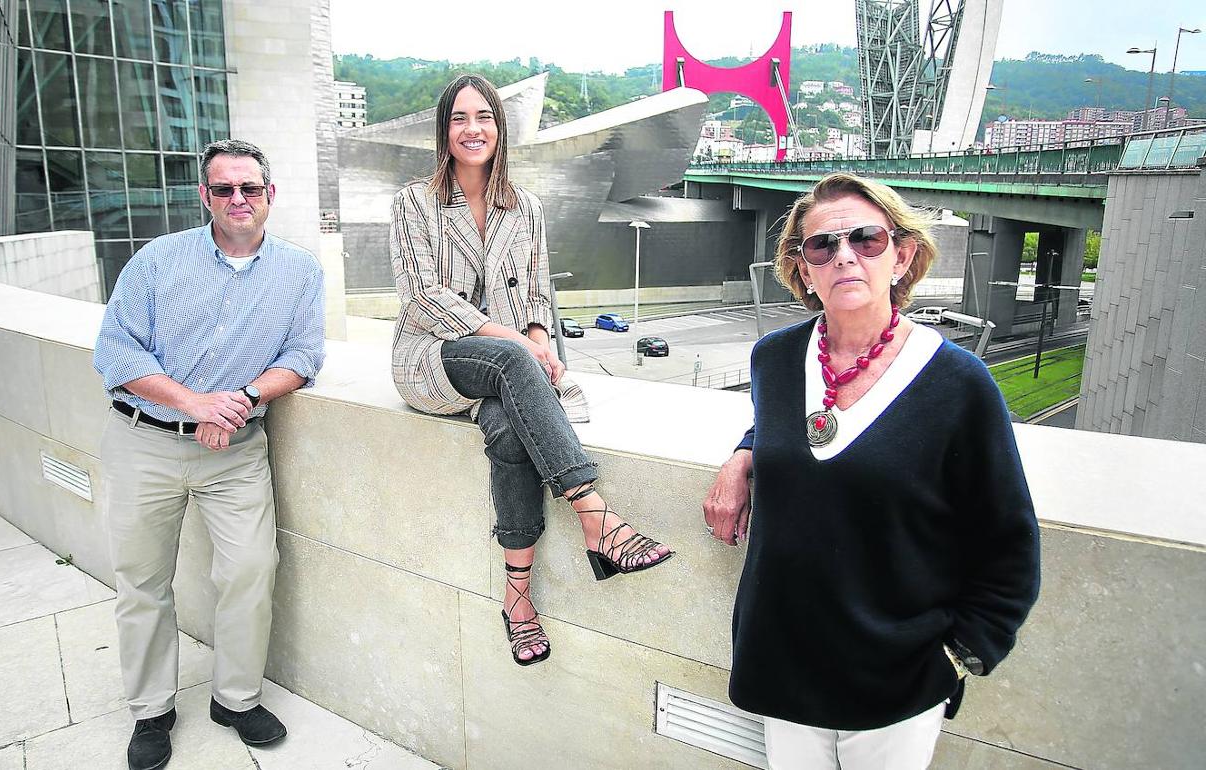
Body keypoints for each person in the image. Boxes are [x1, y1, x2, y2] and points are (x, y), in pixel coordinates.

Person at [703, 173, 1040, 768]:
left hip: (897, 682)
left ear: (903, 255)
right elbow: (789, 431)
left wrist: (961, 654)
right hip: (785, 660)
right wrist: (743, 452)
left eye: (867, 240)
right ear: (804, 269)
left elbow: (1008, 539)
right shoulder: (775, 359)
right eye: (822, 246)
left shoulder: (958, 383)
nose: (845, 257)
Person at [389, 74, 672, 667]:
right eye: (460, 118)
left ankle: (518, 600)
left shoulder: (528, 208)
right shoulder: (416, 201)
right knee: (512, 361)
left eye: (485, 117)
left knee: (506, 430)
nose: (473, 129)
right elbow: (419, 295)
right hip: (434, 358)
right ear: (444, 131)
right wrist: (519, 341)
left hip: (508, 371)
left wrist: (539, 335)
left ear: (500, 128)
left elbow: (540, 293)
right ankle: (595, 517)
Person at [94, 139, 326, 770]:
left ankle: (236, 697)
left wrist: (241, 400)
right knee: (142, 582)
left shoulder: (300, 271)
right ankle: (152, 712)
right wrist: (196, 403)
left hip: (236, 449)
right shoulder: (156, 261)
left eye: (249, 188)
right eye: (223, 189)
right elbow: (116, 356)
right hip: (143, 441)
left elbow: (304, 359)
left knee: (251, 568)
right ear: (205, 196)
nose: (238, 200)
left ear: (270, 194)